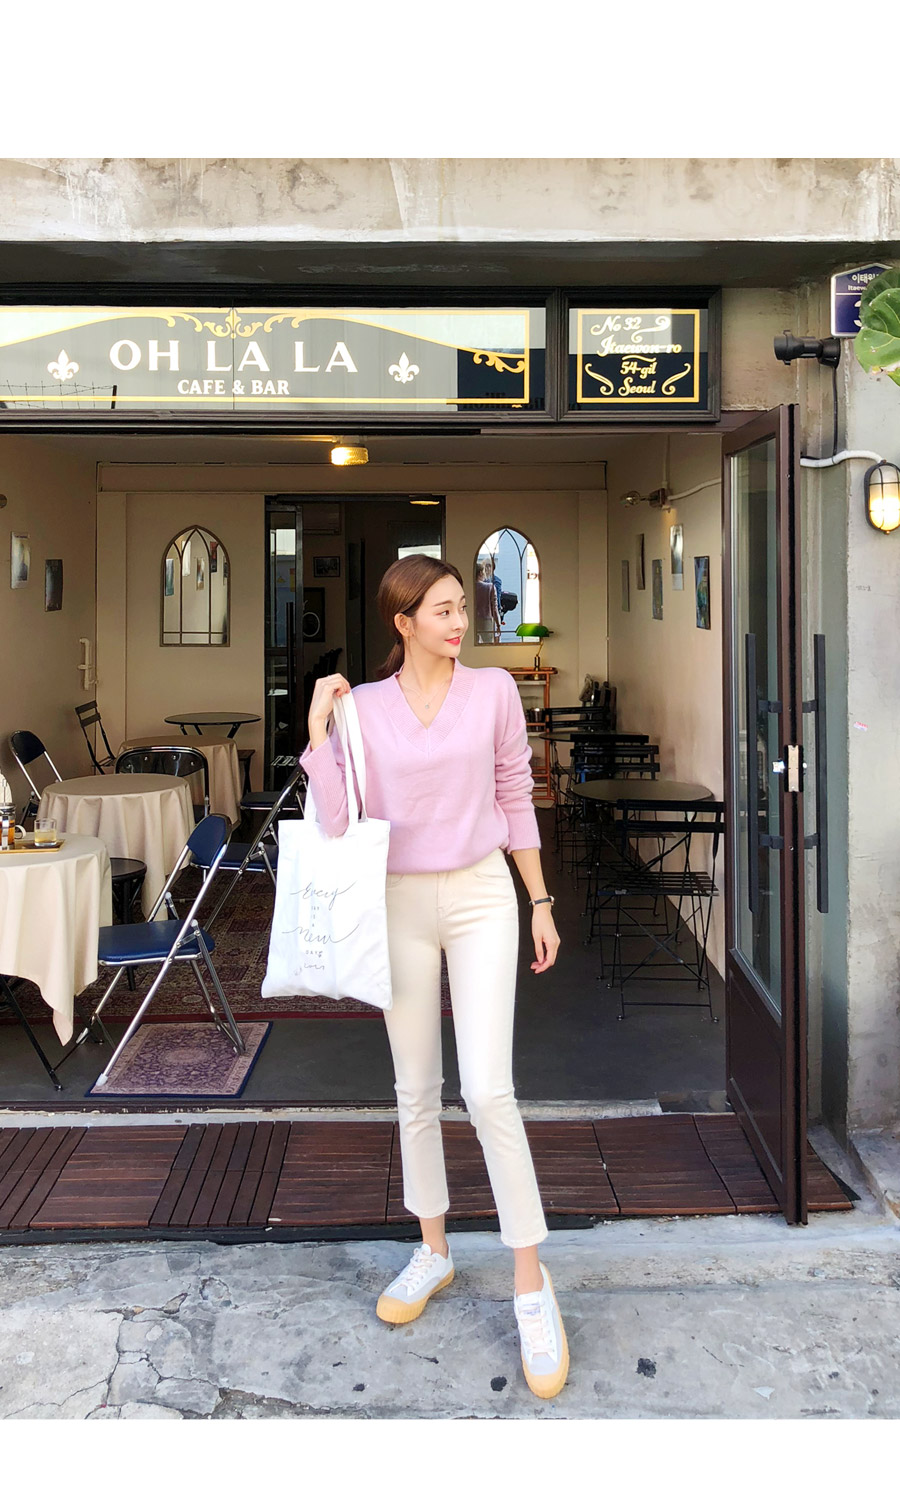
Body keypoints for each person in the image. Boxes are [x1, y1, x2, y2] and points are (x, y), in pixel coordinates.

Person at [299, 552, 568, 1400]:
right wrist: (318, 730)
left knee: (489, 1090)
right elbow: (334, 821)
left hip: (484, 892)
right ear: (403, 622)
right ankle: (433, 1251)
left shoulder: (493, 692)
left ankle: (531, 1284)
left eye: (463, 608)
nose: (459, 623)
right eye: (443, 610)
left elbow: (515, 794)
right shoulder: (363, 709)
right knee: (415, 1088)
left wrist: (539, 899)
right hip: (397, 902)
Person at [474, 558, 502, 644]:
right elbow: (494, 608)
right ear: (481, 573)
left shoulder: (470, 587)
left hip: (473, 619)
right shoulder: (490, 587)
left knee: (473, 643)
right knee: (488, 644)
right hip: (486, 620)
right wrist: (498, 624)